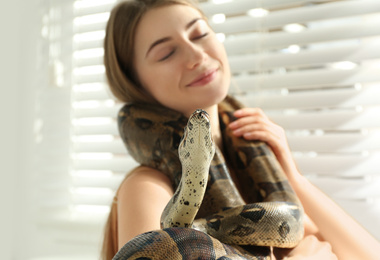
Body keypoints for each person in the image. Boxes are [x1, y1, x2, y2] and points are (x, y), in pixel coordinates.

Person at [100, 0, 380, 259]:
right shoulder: (147, 186)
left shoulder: (252, 176)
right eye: (166, 53)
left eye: (199, 35)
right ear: (134, 83)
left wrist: (293, 179)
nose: (196, 55)